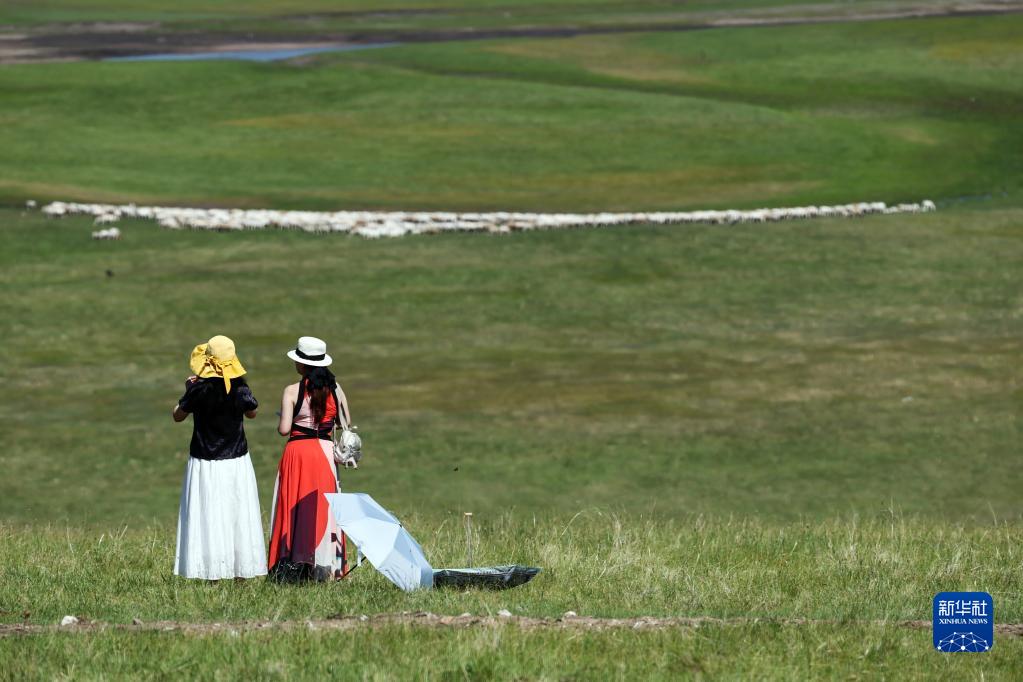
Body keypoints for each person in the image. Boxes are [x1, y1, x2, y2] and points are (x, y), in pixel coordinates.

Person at [172, 335, 267, 580]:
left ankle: (210, 572)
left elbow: (177, 415)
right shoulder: (240, 389)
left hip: (204, 461)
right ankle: (241, 572)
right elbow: (253, 412)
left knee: (208, 514)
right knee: (237, 513)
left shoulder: (199, 390)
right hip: (236, 460)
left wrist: (188, 390)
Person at [267, 336, 353, 582]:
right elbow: (345, 422)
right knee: (325, 509)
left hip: (299, 453)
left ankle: (293, 563)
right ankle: (327, 565)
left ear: (302, 364)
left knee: (295, 507)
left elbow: (284, 429)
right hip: (325, 452)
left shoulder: (292, 390)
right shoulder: (335, 389)